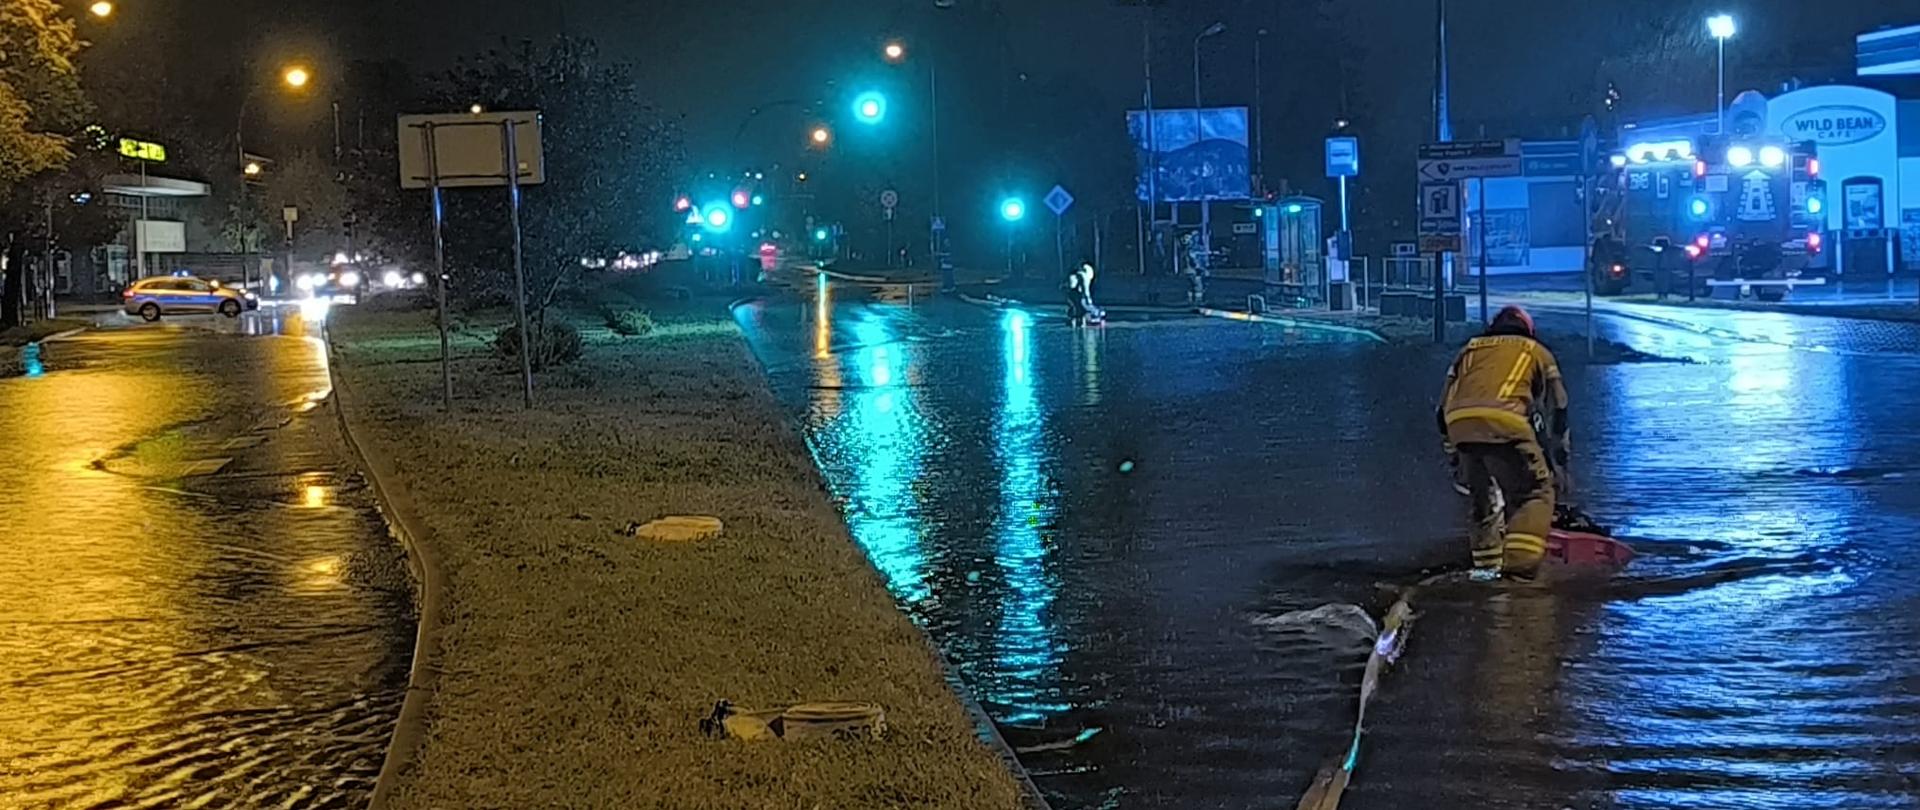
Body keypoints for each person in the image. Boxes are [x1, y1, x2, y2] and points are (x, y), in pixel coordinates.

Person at [1436, 305, 1570, 582]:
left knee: (1483, 499)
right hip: (1507, 422)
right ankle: (1518, 574)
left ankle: (1485, 572)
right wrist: (1559, 460)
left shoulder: (1469, 350)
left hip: (1459, 426)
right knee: (1535, 494)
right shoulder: (1537, 351)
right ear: (1529, 331)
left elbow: (1441, 409)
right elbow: (1558, 407)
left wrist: (1453, 455)